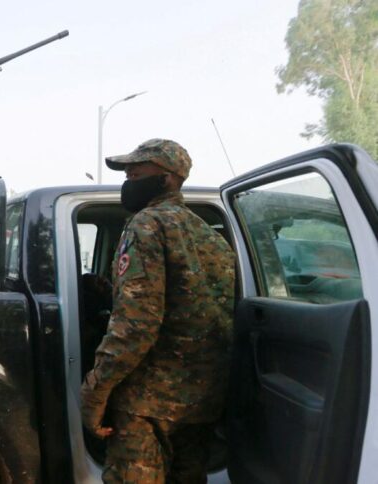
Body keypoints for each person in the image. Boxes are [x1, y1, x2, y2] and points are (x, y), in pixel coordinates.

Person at [80, 139, 236, 483]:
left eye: (136, 173)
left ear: (168, 178)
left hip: (147, 406)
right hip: (201, 402)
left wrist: (95, 390)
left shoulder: (146, 224)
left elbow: (137, 326)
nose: (128, 181)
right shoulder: (209, 235)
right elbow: (193, 302)